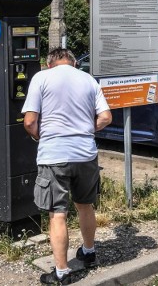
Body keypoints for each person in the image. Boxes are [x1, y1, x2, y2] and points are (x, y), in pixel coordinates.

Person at [22, 48, 112, 285]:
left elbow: (30, 121)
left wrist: (42, 136)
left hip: (54, 155)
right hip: (85, 154)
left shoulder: (41, 77)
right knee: (85, 205)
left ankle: (61, 272)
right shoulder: (88, 79)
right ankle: (89, 251)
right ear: (73, 63)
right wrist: (83, 131)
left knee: (58, 213)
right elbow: (105, 117)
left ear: (49, 63)